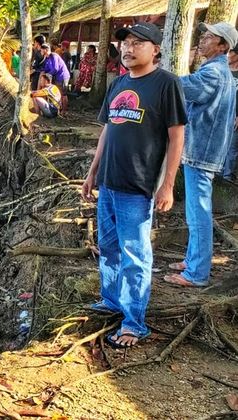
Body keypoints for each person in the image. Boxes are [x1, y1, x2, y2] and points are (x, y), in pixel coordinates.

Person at [82, 22, 187, 348]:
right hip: (109, 184)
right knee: (109, 248)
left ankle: (134, 323)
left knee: (135, 255)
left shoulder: (166, 84)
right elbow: (107, 130)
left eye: (138, 43)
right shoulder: (118, 83)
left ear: (155, 49)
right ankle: (111, 300)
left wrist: (167, 184)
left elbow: (176, 135)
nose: (128, 49)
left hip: (137, 187)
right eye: (125, 43)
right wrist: (92, 171)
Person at [164, 22, 238, 288]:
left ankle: (196, 273)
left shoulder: (214, 73)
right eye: (204, 35)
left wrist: (158, 76)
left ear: (222, 46)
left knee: (198, 211)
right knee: (196, 210)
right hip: (204, 149)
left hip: (201, 151)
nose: (203, 39)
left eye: (209, 37)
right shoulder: (219, 71)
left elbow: (185, 87)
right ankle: (194, 259)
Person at [222, 43, 238, 181]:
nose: (228, 55)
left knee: (232, 147)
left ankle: (227, 176)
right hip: (221, 113)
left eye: (231, 52)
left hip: (235, 116)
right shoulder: (223, 70)